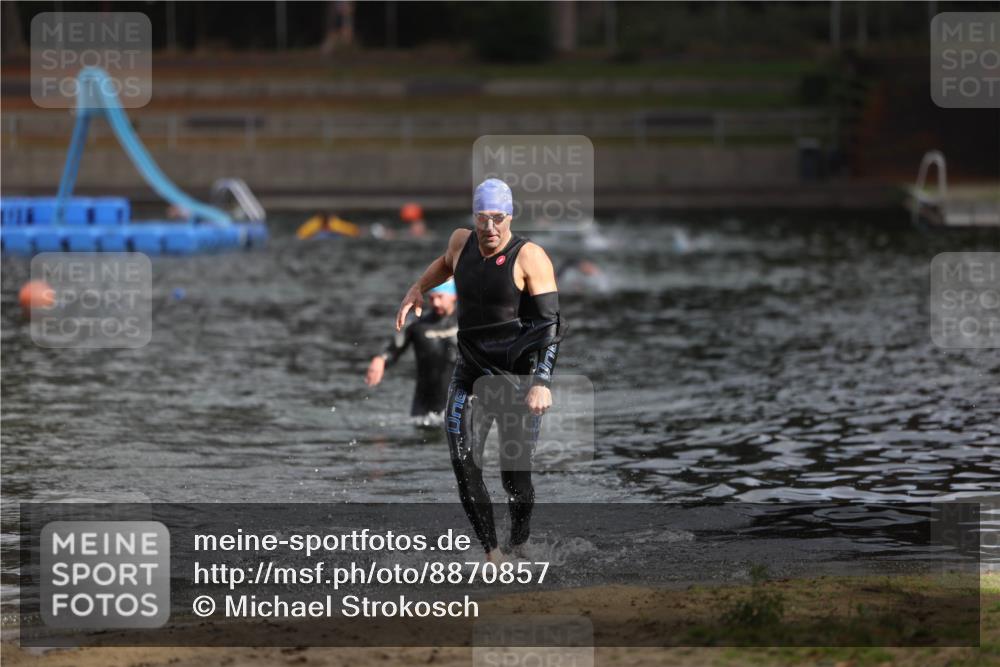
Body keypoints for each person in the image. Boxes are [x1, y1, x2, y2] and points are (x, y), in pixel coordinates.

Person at [395, 178, 562, 562]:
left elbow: (549, 327)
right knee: (463, 463)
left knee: (514, 480)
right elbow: (445, 264)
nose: (489, 229)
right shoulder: (461, 242)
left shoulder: (530, 257)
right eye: (482, 219)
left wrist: (541, 382)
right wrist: (417, 287)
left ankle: (518, 544)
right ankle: (492, 553)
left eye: (498, 219)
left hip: (517, 382)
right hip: (469, 375)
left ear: (510, 217)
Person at [367, 281, 458, 418]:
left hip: (460, 401)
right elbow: (394, 348)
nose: (436, 303)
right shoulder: (418, 325)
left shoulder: (467, 321)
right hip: (425, 408)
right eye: (432, 298)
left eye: (440, 297)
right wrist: (381, 358)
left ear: (454, 296)